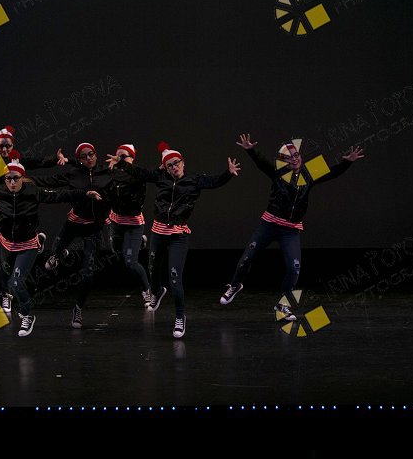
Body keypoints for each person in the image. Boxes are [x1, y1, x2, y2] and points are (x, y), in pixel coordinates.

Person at [0, 160, 101, 337]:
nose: (12, 182)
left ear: (22, 177)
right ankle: (35, 249)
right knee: (5, 276)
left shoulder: (33, 192)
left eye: (16, 178)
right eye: (8, 179)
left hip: (27, 245)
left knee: (16, 283)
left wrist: (85, 194)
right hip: (7, 243)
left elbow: (59, 195)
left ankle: (27, 315)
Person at [219, 134, 364, 320]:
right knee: (247, 258)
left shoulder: (309, 172)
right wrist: (251, 150)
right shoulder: (278, 172)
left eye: (296, 155)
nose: (294, 159)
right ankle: (235, 285)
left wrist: (347, 162)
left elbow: (332, 171)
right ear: (284, 161)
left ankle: (282, 304)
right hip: (269, 224)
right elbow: (262, 163)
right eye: (289, 157)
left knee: (294, 268)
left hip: (290, 229)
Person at [108, 141, 240, 338]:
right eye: (169, 165)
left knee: (175, 278)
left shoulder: (194, 180)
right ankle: (156, 291)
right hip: (158, 233)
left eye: (176, 163)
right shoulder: (161, 177)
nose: (174, 167)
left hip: (178, 236)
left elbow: (214, 181)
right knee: (153, 272)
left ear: (183, 162)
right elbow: (140, 173)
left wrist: (228, 173)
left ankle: (179, 317)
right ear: (165, 168)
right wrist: (121, 162)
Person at [30, 142, 114, 329]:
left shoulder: (107, 172)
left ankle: (78, 308)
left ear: (96, 154)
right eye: (84, 156)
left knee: (88, 274)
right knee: (54, 251)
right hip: (74, 223)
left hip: (94, 228)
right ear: (80, 160)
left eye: (91, 154)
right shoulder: (74, 174)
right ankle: (59, 254)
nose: (89, 158)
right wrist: (24, 179)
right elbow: (49, 181)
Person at [106, 144, 153, 309]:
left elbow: (149, 176)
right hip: (116, 221)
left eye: (123, 156)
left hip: (133, 224)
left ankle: (147, 290)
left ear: (132, 158)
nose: (118, 159)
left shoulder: (138, 175)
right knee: (116, 251)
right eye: (117, 156)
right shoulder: (111, 174)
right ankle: (139, 242)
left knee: (130, 263)